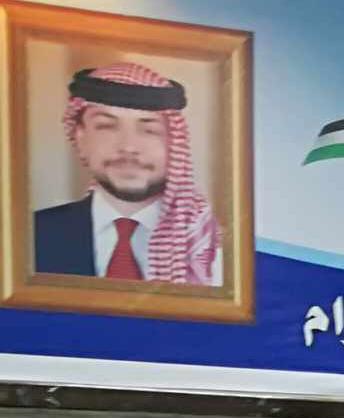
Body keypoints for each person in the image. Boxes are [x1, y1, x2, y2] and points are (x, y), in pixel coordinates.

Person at [33, 62, 220, 284]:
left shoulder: (215, 249)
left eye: (150, 130)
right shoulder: (25, 237)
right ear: (81, 139)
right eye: (107, 126)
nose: (128, 146)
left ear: (176, 144)